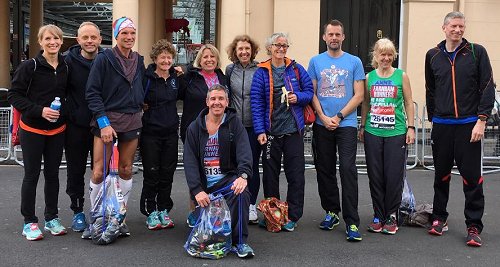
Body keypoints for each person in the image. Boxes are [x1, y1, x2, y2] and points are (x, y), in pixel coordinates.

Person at [425, 11, 495, 247]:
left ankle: (473, 225)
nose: (458, 30)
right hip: (442, 126)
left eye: (461, 26)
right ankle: (439, 218)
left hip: (469, 125)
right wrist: (433, 119)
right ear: (444, 27)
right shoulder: (433, 55)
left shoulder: (477, 52)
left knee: (472, 178)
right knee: (441, 176)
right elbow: (431, 89)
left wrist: (482, 120)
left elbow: (487, 85)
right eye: (454, 26)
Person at [85, 17, 145, 237]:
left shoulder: (139, 60)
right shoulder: (104, 58)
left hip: (132, 120)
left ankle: (119, 216)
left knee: (126, 169)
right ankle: (97, 217)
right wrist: (103, 123)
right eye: (124, 34)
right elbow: (92, 92)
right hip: (106, 122)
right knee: (99, 171)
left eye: (132, 33)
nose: (129, 38)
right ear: (116, 36)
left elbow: (142, 86)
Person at [8, 24, 68, 241]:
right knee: (31, 175)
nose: (53, 42)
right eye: (48, 39)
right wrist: (39, 111)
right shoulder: (30, 66)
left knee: (52, 175)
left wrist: (64, 113)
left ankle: (51, 217)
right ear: (40, 41)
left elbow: (67, 94)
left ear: (61, 42)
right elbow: (13, 96)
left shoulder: (65, 66)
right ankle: (29, 221)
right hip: (32, 129)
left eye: (57, 39)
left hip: (57, 130)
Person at [307, 19, 365, 241]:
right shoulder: (315, 61)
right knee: (325, 169)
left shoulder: (354, 61)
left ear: (343, 37)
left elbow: (359, 94)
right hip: (322, 124)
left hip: (346, 124)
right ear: (324, 37)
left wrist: (339, 116)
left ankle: (352, 221)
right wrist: (322, 116)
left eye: (337, 34)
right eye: (330, 34)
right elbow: (311, 92)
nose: (333, 38)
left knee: (348, 170)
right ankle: (331, 212)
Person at [251, 32, 314, 232]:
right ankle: (273, 214)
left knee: (296, 175)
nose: (281, 49)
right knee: (270, 175)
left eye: (284, 46)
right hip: (271, 133)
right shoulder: (262, 71)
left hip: (293, 131)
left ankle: (293, 215)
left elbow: (309, 92)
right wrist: (260, 130)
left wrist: (299, 97)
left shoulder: (296, 68)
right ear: (269, 47)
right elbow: (257, 102)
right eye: (277, 45)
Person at [183, 84, 254, 258]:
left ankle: (240, 243)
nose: (217, 102)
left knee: (242, 192)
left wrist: (243, 176)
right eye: (213, 98)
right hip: (205, 187)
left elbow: (245, 152)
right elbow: (189, 162)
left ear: (227, 102)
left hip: (225, 182)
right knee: (206, 236)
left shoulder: (234, 124)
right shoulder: (194, 127)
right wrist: (197, 190)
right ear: (207, 101)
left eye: (221, 99)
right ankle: (199, 215)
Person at [359, 38, 415, 235]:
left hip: (396, 133)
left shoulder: (401, 76)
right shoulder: (369, 77)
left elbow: (409, 103)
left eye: (390, 54)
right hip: (373, 132)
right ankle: (378, 215)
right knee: (375, 175)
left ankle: (391, 215)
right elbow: (365, 103)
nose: (386, 58)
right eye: (382, 54)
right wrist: (363, 125)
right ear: (376, 56)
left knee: (393, 175)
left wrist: (411, 127)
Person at [179, 44, 227, 227]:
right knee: (197, 171)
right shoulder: (189, 77)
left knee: (215, 170)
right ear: (200, 59)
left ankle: (215, 210)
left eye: (212, 57)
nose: (209, 60)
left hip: (218, 130)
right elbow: (174, 94)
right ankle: (194, 210)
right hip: (195, 131)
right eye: (205, 57)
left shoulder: (222, 77)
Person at [140, 39, 185, 230]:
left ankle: (164, 209)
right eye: (162, 57)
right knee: (152, 173)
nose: (166, 61)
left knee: (167, 173)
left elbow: (186, 95)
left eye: (169, 57)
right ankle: (151, 211)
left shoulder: (176, 78)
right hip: (150, 133)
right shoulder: (146, 78)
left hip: (170, 133)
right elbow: (136, 98)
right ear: (155, 58)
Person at [64, 21, 102, 234]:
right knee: (75, 170)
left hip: (101, 125)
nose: (89, 41)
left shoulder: (106, 61)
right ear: (78, 40)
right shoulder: (67, 62)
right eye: (85, 37)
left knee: (102, 172)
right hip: (76, 125)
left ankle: (99, 210)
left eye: (93, 37)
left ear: (99, 39)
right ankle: (77, 211)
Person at [225, 35, 261, 224]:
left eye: (247, 49)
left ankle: (251, 205)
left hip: (254, 126)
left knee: (252, 165)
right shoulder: (230, 70)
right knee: (232, 166)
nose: (244, 52)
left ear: (252, 50)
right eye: (240, 49)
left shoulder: (261, 69)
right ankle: (234, 202)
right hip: (235, 126)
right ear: (235, 51)